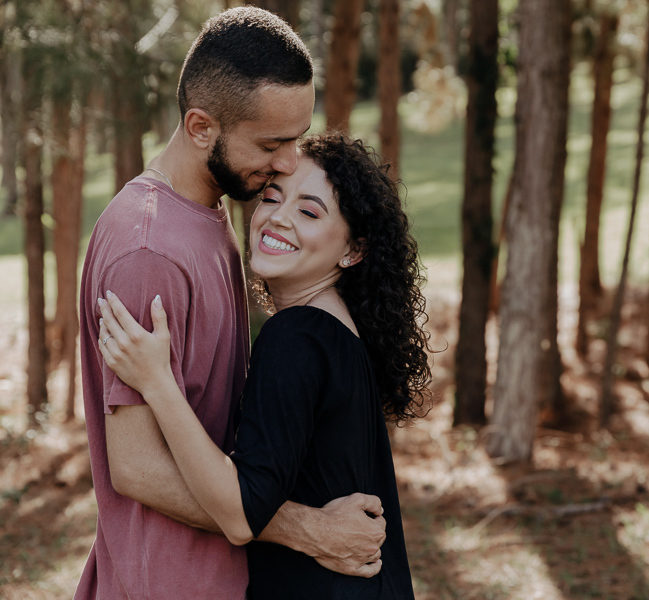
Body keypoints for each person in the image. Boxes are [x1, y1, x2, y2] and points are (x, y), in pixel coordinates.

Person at [76, 9, 386, 600]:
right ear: (200, 127)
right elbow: (136, 466)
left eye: (296, 139)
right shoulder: (150, 251)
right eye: (272, 143)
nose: (290, 162)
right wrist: (307, 528)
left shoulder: (212, 213)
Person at [96, 132, 431, 599]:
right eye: (273, 198)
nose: (278, 218)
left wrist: (157, 382)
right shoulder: (336, 329)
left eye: (309, 212)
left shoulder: (297, 336)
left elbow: (240, 513)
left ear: (354, 250)